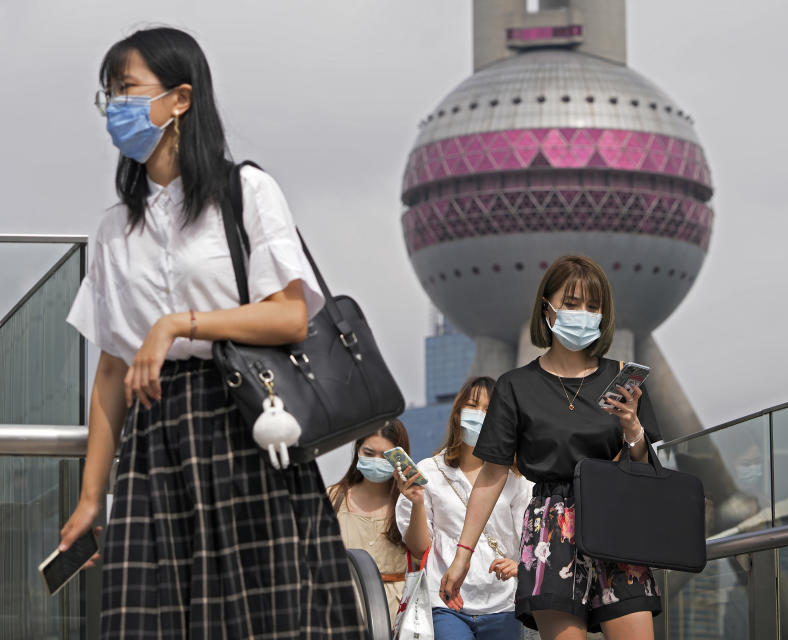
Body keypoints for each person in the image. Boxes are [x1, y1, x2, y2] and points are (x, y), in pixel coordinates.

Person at [57, 27, 363, 638]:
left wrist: (177, 325)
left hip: (247, 420)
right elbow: (112, 372)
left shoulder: (245, 192)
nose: (114, 108)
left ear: (181, 99)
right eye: (108, 96)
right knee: (150, 618)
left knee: (264, 617)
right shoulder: (115, 229)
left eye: (127, 90)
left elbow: (290, 315)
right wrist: (92, 496)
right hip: (155, 443)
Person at [440, 255, 663, 640]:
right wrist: (463, 555)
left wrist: (632, 427)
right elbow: (491, 475)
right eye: (572, 303)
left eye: (593, 307)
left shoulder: (621, 378)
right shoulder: (515, 386)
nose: (583, 314)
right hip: (551, 530)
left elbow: (645, 463)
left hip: (616, 520)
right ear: (547, 308)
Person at [396, 376, 532, 639]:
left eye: (489, 409)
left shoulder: (517, 478)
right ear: (457, 412)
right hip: (444, 601)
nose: (479, 415)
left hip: (502, 603)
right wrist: (416, 502)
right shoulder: (429, 471)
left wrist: (519, 565)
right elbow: (420, 547)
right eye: (472, 405)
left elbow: (531, 537)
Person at [327, 420, 411, 624]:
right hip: (342, 609)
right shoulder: (333, 497)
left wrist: (415, 499)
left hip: (395, 616)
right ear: (357, 450)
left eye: (385, 456)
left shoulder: (407, 502)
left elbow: (422, 552)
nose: (376, 460)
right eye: (369, 453)